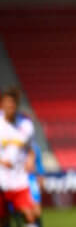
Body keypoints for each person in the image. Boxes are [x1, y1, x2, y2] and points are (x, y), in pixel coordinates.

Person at [0, 87, 38, 227]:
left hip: (18, 178)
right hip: (1, 179)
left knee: (29, 214)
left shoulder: (25, 125)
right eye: (6, 104)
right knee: (3, 219)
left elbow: (31, 149)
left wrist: (31, 160)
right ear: (2, 105)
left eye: (12, 104)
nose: (9, 106)